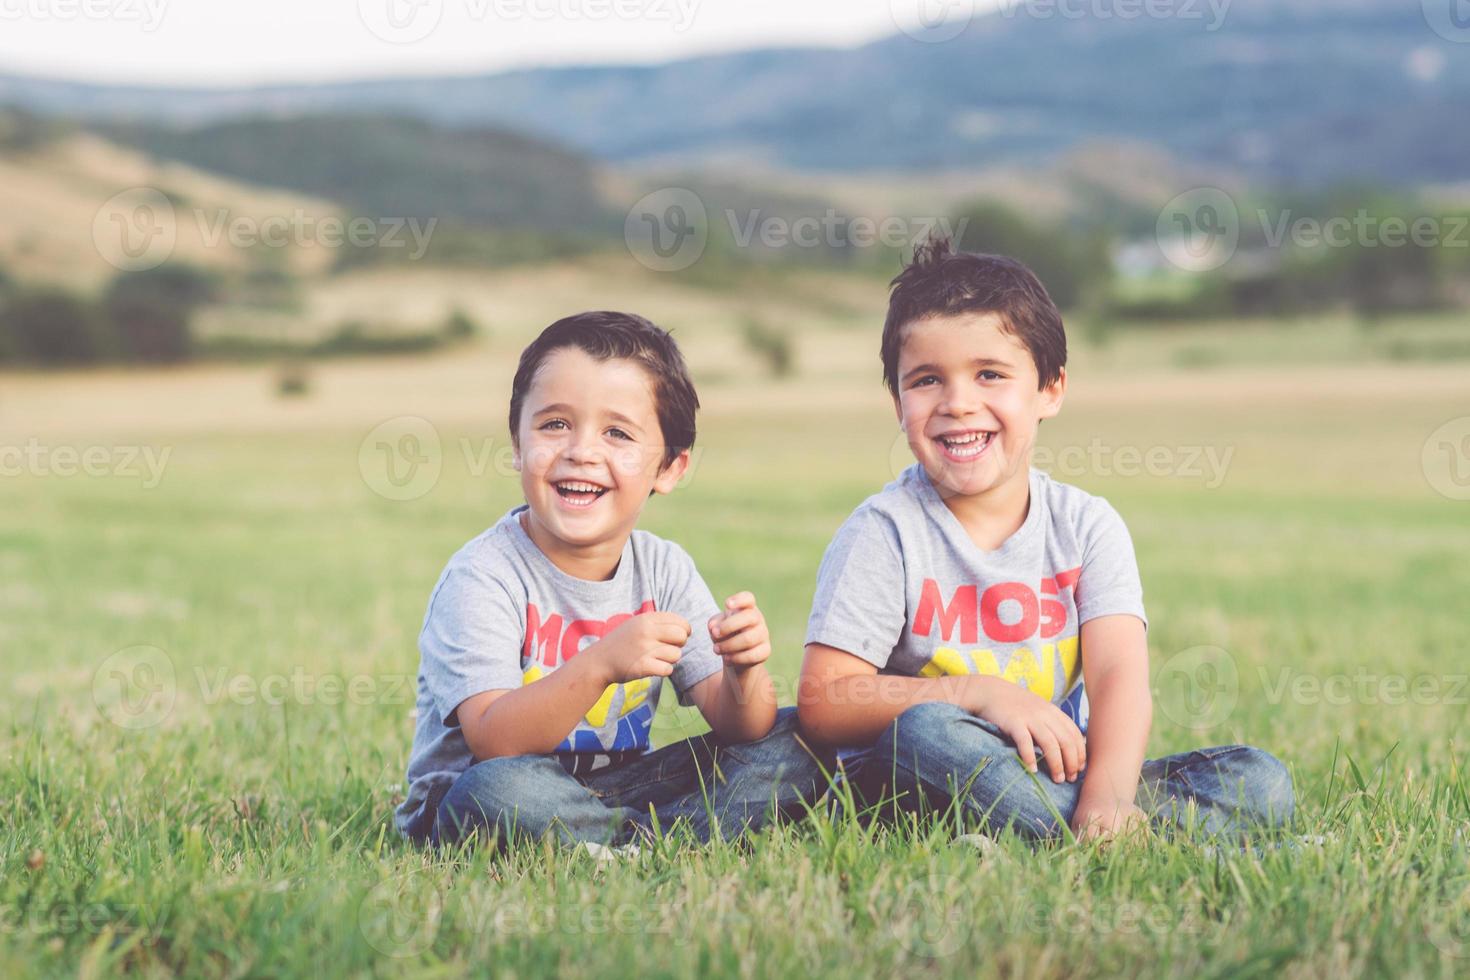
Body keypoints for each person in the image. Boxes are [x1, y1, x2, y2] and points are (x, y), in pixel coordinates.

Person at [796, 239, 1294, 842]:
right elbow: (824, 703)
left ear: (1050, 389)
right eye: (927, 380)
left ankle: (1077, 826)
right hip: (919, 780)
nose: (958, 402)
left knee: (1258, 778)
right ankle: (1141, 841)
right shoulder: (886, 532)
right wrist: (981, 695)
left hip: (1059, 772)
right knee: (926, 731)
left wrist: (1108, 796)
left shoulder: (1087, 526)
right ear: (897, 402)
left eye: (990, 374)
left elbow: (1118, 679)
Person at [397, 311, 828, 849]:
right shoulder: (483, 575)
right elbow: (494, 739)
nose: (581, 451)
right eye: (554, 424)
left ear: (669, 468)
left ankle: (628, 843)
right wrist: (602, 663)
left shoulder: (664, 568)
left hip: (618, 789)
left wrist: (743, 673)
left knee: (797, 740)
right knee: (492, 794)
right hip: (490, 791)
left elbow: (742, 727)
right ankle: (667, 838)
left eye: (618, 433)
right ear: (516, 443)